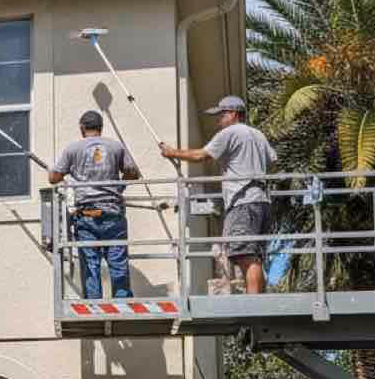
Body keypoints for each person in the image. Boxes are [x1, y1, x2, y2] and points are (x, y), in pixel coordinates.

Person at [159, 95, 277, 295]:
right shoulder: (258, 135)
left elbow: (201, 155)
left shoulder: (231, 132)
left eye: (221, 115)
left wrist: (172, 152)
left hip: (243, 202)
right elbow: (272, 160)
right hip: (261, 201)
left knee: (246, 256)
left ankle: (254, 303)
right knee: (254, 255)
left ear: (233, 114)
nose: (218, 120)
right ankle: (259, 300)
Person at [50, 110, 140, 299]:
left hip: (87, 216)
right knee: (118, 263)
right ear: (101, 127)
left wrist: (68, 173)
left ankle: (94, 306)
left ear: (82, 128)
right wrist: (119, 187)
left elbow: (53, 178)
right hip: (113, 213)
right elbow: (133, 172)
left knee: (90, 265)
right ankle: (122, 304)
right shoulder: (115, 146)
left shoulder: (73, 149)